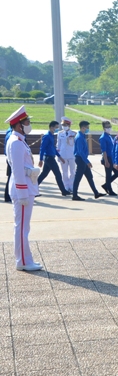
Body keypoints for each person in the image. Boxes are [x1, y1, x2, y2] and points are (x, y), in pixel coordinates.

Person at [5, 106, 43, 271]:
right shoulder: (16, 143)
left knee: (23, 227)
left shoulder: (18, 141)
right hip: (23, 189)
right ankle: (23, 262)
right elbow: (18, 170)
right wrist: (22, 193)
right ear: (19, 125)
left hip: (26, 187)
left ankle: (25, 260)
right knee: (21, 228)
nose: (29, 124)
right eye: (27, 122)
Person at [71, 121, 106, 201]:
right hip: (81, 159)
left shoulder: (82, 136)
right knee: (78, 178)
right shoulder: (79, 137)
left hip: (83, 159)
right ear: (83, 128)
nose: (88, 129)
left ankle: (96, 193)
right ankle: (74, 195)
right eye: (87, 127)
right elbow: (80, 151)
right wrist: (87, 161)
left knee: (89, 177)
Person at [37, 120, 70, 196]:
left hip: (51, 157)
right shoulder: (47, 136)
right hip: (49, 158)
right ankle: (63, 191)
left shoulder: (51, 136)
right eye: (56, 127)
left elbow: (53, 148)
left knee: (44, 174)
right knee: (58, 174)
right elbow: (42, 148)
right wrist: (41, 159)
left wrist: (60, 157)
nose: (57, 129)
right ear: (51, 127)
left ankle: (33, 188)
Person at [56, 117, 77, 193]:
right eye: (62, 125)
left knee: (72, 171)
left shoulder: (74, 133)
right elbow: (58, 145)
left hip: (71, 155)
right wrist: (58, 156)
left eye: (65, 124)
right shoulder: (60, 133)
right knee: (64, 172)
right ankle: (66, 186)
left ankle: (71, 186)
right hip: (63, 155)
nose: (63, 126)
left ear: (69, 125)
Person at [99, 120, 118, 196]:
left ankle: (106, 185)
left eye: (109, 126)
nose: (109, 128)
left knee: (117, 173)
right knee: (108, 174)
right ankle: (109, 190)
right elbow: (104, 151)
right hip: (107, 158)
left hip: (112, 158)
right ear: (104, 128)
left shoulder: (109, 136)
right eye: (107, 127)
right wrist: (106, 161)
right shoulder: (103, 137)